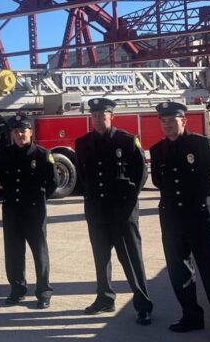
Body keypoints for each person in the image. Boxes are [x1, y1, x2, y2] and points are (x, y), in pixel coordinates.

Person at [74, 97, 153, 325]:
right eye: (94, 116)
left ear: (111, 116)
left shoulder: (127, 141)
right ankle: (105, 298)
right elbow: (83, 176)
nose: (98, 119)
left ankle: (143, 305)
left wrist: (128, 206)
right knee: (101, 259)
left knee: (131, 260)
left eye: (102, 115)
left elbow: (141, 174)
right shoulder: (83, 143)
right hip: (97, 213)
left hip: (122, 213)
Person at [150, 101, 210, 333]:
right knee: (180, 272)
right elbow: (158, 181)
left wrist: (208, 196)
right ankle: (191, 317)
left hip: (200, 217)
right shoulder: (157, 150)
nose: (167, 125)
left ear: (184, 121)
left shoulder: (202, 144)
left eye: (172, 120)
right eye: (163, 121)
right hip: (173, 220)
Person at [0, 114, 57, 309]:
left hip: (34, 211)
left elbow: (52, 183)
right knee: (14, 253)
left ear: (30, 132)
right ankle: (17, 289)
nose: (20, 134)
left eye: (23, 130)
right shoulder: (6, 154)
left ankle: (43, 292)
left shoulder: (42, 154)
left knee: (40, 253)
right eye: (16, 131)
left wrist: (37, 199)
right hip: (13, 209)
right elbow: (5, 180)